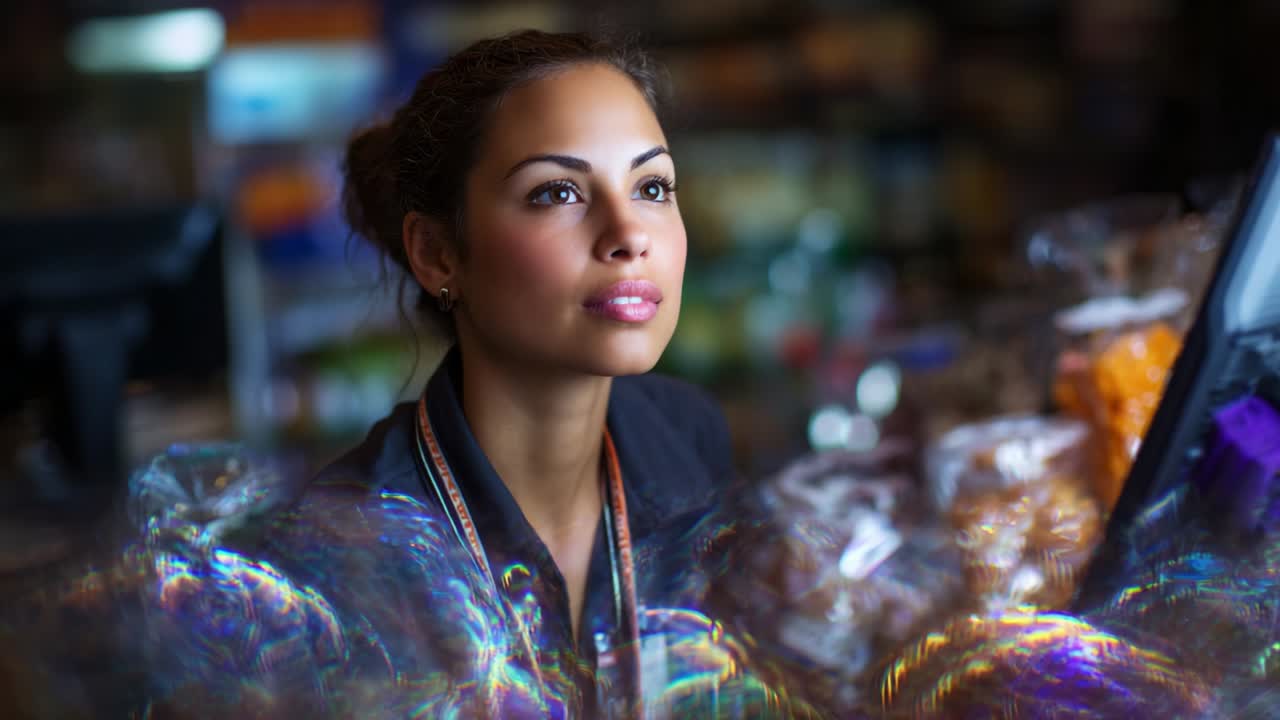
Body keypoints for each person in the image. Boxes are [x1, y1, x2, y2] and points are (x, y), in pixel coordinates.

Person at [317, 29, 738, 717]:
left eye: (652, 187)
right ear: (438, 253)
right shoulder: (341, 557)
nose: (629, 234)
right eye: (558, 193)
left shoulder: (688, 440)